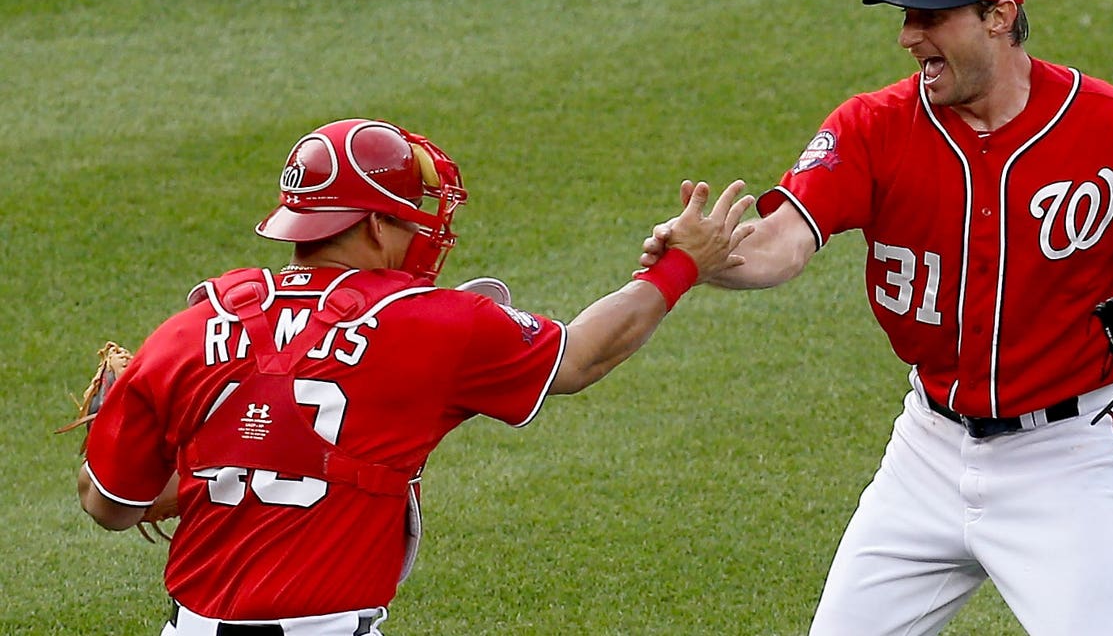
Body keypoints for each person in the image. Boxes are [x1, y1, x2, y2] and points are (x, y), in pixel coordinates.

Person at [642, 0, 1113, 635]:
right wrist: (710, 258)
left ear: (999, 17)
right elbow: (784, 243)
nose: (908, 37)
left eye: (931, 17)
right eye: (905, 16)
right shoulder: (871, 126)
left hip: (1069, 462)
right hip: (927, 451)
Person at [77, 117, 754, 635]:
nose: (427, 232)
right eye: (411, 218)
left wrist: (200, 469)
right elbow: (583, 357)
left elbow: (108, 505)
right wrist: (678, 266)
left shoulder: (192, 328)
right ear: (372, 226)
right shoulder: (431, 325)